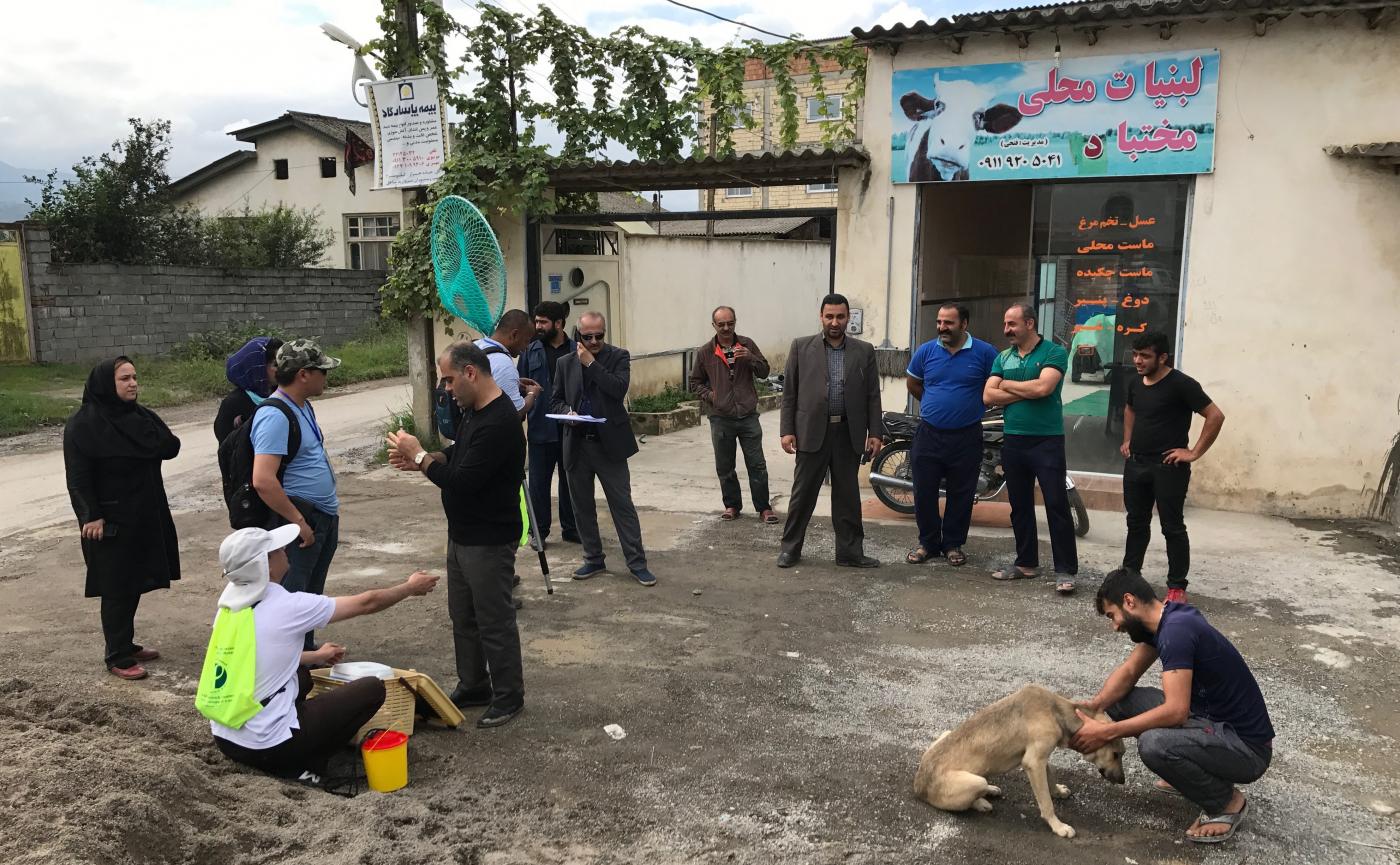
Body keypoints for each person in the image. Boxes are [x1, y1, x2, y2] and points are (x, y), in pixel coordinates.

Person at [210, 524, 440, 783]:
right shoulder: (288, 606)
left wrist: (315, 657)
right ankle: (309, 765)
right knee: (372, 689)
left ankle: (292, 749)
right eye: (277, 549)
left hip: (226, 739)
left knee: (304, 676)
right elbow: (367, 602)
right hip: (269, 747)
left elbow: (257, 655)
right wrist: (410, 587)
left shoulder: (228, 607)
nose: (285, 549)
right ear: (266, 565)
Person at [1072, 569, 1273, 844]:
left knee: (1155, 745)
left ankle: (1227, 802)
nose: (1115, 626)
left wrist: (1106, 732)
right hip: (1211, 724)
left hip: (1247, 749)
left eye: (1112, 615)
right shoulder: (1168, 619)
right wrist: (1095, 706)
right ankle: (1188, 774)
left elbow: (1176, 711)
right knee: (1117, 700)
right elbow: (1130, 671)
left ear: (1129, 601)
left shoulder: (1176, 632)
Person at [386, 342, 527, 726]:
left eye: (448, 379)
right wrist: (428, 460)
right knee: (462, 616)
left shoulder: (500, 421)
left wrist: (420, 457)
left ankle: (509, 695)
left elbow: (462, 482)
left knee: (493, 619)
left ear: (470, 373)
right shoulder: (473, 414)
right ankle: (474, 683)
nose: (445, 389)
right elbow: (459, 454)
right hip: (463, 534)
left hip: (489, 539)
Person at [63, 356, 182, 681]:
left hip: (145, 512)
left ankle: (126, 643)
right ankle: (116, 654)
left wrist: (148, 433)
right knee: (116, 586)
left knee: (135, 581)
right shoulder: (83, 425)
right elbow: (78, 477)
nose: (133, 384)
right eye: (124, 379)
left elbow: (170, 447)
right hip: (108, 520)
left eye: (134, 377)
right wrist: (91, 515)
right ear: (106, 384)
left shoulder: (141, 417)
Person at [777, 293, 885, 569]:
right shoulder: (801, 347)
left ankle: (850, 553)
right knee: (803, 495)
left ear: (848, 317)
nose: (835, 322)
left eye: (840, 316)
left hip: (847, 433)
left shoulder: (864, 350)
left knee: (848, 496)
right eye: (829, 316)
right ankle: (790, 549)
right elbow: (789, 393)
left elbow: (873, 395)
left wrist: (875, 431)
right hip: (812, 432)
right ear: (821, 317)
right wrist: (787, 430)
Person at [550, 311, 657, 586]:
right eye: (588, 337)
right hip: (577, 444)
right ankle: (593, 558)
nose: (594, 341)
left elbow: (618, 389)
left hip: (609, 446)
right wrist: (567, 413)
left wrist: (591, 364)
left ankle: (637, 563)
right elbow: (555, 401)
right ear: (578, 335)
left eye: (599, 336)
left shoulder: (618, 356)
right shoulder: (564, 363)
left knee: (622, 506)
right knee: (582, 507)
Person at [1120, 332, 1226, 603]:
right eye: (1135, 354)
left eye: (1145, 356)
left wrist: (1193, 453)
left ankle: (1177, 586)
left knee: (1172, 527)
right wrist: (1127, 440)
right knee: (1136, 523)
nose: (1138, 360)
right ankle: (1130, 576)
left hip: (1167, 467)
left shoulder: (1182, 385)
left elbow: (1215, 415)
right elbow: (1130, 409)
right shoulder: (1135, 382)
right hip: (1137, 464)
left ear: (1163, 357)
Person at [251, 339, 341, 649]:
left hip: (321, 517)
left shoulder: (302, 406)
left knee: (309, 596)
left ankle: (305, 655)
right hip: (299, 523)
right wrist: (298, 521)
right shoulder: (275, 415)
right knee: (291, 596)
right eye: (322, 371)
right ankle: (287, 661)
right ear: (304, 374)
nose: (325, 377)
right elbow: (263, 479)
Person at [983, 304, 1078, 594]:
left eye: (1012, 324)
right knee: (1020, 506)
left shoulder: (1053, 353)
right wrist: (1027, 387)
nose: (1006, 330)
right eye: (1005, 323)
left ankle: (1066, 571)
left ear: (1030, 323)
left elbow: (1043, 390)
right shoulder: (1003, 356)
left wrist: (1008, 386)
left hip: (1046, 441)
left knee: (1056, 505)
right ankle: (1026, 563)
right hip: (1014, 440)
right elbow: (988, 395)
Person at [903, 303, 997, 567]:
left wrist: (970, 405)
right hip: (929, 434)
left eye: (949, 323)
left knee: (962, 493)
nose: (942, 327)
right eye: (939, 322)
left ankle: (953, 544)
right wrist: (936, 403)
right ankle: (928, 544)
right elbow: (913, 383)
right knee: (924, 491)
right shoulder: (926, 351)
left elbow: (996, 383)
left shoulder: (985, 352)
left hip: (967, 436)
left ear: (964, 324)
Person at [688, 305, 775, 523]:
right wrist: (712, 396)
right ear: (714, 325)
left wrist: (751, 357)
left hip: (747, 415)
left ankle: (764, 508)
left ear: (735, 322)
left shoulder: (747, 344)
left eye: (730, 323)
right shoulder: (706, 351)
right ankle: (732, 505)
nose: (726, 328)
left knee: (757, 464)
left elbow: (764, 372)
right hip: (720, 417)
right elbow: (695, 382)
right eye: (721, 324)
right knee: (725, 466)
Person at [518, 301, 578, 544]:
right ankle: (538, 532)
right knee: (538, 485)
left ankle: (572, 529)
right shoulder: (529, 352)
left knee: (570, 482)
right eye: (537, 321)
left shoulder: (576, 350)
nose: (538, 326)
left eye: (543, 322)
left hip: (569, 428)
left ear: (559, 324)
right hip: (540, 429)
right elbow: (519, 385)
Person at [213, 336, 283, 443]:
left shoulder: (284, 395)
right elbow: (226, 450)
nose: (283, 369)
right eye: (276, 364)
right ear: (258, 367)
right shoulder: (233, 404)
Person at [476, 308, 544, 419]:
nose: (526, 348)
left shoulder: (477, 345)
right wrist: (532, 394)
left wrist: (514, 382)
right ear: (514, 335)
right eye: (526, 341)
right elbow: (516, 413)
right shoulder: (504, 364)